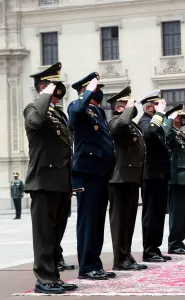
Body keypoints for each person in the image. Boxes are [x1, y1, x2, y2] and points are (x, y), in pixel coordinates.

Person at [24, 62, 77, 294]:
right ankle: (43, 279)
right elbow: (35, 122)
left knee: (55, 235)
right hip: (43, 181)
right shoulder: (33, 109)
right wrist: (44, 93)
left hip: (60, 182)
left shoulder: (58, 114)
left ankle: (53, 276)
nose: (58, 90)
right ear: (43, 87)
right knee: (44, 234)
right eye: (53, 86)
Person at [68, 72, 116, 280]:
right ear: (85, 90)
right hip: (87, 172)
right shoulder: (77, 107)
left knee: (97, 221)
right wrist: (87, 91)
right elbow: (77, 110)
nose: (99, 91)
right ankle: (86, 266)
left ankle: (95, 263)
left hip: (100, 173)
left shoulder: (97, 111)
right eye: (95, 88)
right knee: (88, 221)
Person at [107, 86, 148, 271]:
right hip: (119, 178)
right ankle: (119, 258)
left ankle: (126, 255)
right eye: (127, 104)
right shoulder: (116, 121)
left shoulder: (133, 126)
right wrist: (128, 109)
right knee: (120, 221)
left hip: (131, 177)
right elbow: (118, 128)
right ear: (118, 107)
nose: (132, 106)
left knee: (129, 220)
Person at [138, 90, 172, 263]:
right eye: (156, 105)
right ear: (150, 106)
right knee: (151, 214)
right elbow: (149, 134)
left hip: (159, 175)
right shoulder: (144, 121)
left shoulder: (155, 124)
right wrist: (159, 114)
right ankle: (149, 250)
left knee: (159, 214)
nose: (160, 108)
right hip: (150, 176)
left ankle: (155, 248)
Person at [165, 107, 185, 255]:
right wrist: (169, 119)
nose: (182, 119)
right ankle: (173, 243)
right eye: (179, 116)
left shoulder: (181, 133)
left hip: (184, 178)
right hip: (176, 178)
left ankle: (179, 241)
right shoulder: (170, 132)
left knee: (184, 213)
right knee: (177, 213)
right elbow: (165, 135)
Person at [53, 104, 75, 272]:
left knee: (60, 222)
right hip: (52, 175)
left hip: (65, 176)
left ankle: (57, 256)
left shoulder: (62, 119)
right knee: (52, 224)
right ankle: (52, 259)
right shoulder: (38, 111)